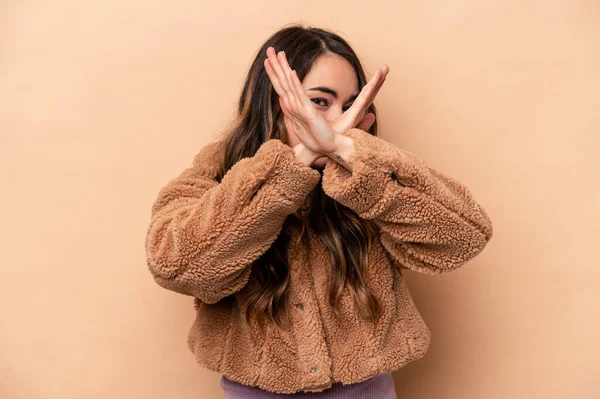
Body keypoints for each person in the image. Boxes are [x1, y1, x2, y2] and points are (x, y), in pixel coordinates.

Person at [144, 24, 493, 398]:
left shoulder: (368, 176)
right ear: (275, 100)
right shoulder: (219, 171)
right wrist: (294, 166)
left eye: (350, 105)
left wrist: (348, 154)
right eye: (320, 102)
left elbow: (464, 235)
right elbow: (177, 265)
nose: (335, 120)